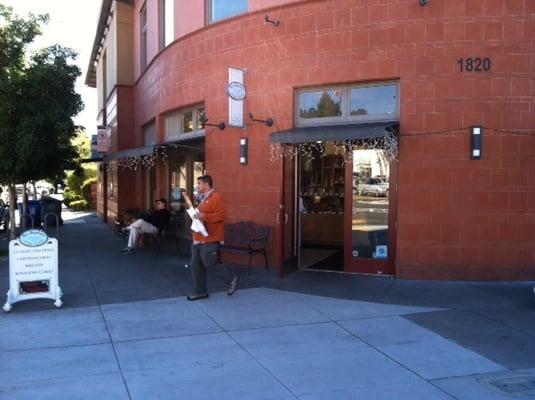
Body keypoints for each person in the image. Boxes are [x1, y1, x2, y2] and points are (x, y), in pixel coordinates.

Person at [182, 175, 238, 300]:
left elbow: (222, 215)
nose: (197, 186)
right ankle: (201, 292)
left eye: (199, 184)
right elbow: (199, 216)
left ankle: (231, 278)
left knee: (209, 264)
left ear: (206, 184)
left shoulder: (216, 197)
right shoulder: (201, 199)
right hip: (198, 239)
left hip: (210, 238)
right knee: (196, 266)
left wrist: (203, 216)